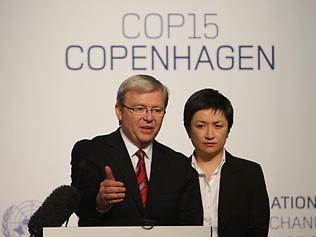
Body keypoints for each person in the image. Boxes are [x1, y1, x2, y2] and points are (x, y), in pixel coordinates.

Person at [71, 74, 203, 226]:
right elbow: (81, 206)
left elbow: (190, 226)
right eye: (140, 109)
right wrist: (100, 201)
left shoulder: (179, 165)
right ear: (119, 111)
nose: (149, 118)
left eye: (157, 110)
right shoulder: (91, 152)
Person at [183, 88, 270, 237]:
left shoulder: (250, 173)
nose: (210, 134)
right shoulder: (175, 173)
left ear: (228, 128)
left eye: (218, 126)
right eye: (201, 126)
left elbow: (258, 229)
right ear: (188, 129)